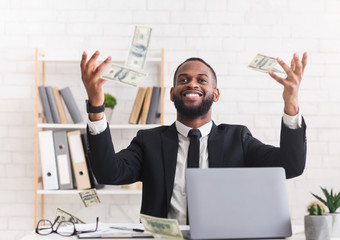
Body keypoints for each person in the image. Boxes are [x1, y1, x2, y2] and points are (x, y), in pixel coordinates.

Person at [80, 51, 308, 225]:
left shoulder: (237, 139)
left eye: (201, 80)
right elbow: (108, 172)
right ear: (172, 93)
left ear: (215, 94)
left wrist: (291, 105)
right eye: (184, 80)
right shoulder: (148, 141)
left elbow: (290, 166)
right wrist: (96, 107)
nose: (192, 84)